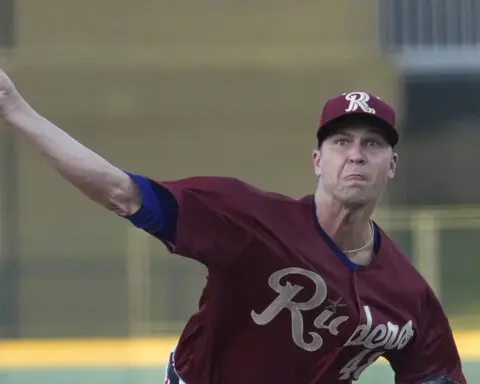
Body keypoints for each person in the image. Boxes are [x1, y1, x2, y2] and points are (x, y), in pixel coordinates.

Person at [0, 69, 466, 384]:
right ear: (318, 160)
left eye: (373, 144)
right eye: (341, 141)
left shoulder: (409, 297)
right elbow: (121, 191)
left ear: (392, 165)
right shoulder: (249, 219)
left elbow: (435, 374)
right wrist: (17, 110)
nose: (356, 154)